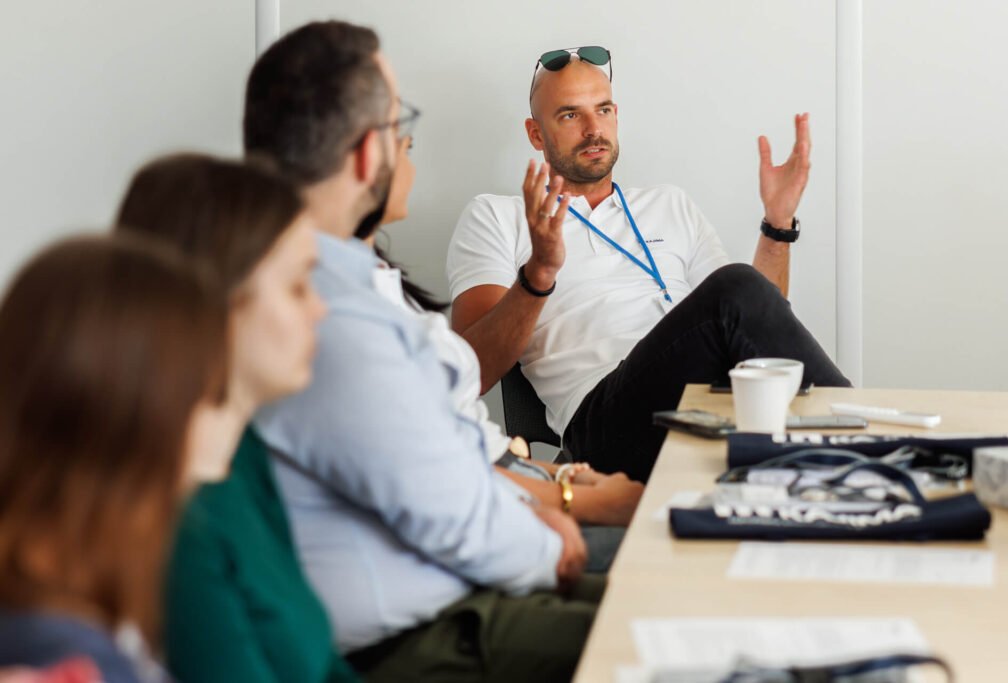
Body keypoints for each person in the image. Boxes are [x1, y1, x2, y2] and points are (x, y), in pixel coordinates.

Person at [243, 21, 602, 682]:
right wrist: (551, 535)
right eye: (396, 124)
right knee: (696, 632)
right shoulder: (328, 316)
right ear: (362, 156)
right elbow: (457, 515)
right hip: (424, 636)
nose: (407, 144)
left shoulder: (339, 284)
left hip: (463, 591)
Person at [447, 47, 852, 483]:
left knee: (741, 293)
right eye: (569, 115)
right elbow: (469, 371)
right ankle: (875, 441)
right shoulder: (498, 216)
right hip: (606, 423)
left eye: (602, 110)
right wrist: (538, 274)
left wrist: (776, 226)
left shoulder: (669, 203)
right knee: (736, 285)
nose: (592, 129)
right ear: (536, 133)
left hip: (715, 401)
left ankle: (862, 455)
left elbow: (755, 320)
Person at [113, 154, 359, 683]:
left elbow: (321, 662)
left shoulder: (241, 451)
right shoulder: (175, 534)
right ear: (215, 299)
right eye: (298, 287)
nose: (320, 310)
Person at [357, 131, 641, 571]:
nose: (410, 139)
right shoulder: (341, 314)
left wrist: (568, 479)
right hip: (491, 540)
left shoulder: (384, 287)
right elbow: (428, 478)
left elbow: (472, 442)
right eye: (396, 126)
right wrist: (574, 502)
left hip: (522, 482)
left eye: (604, 109)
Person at [0, 234, 229, 683]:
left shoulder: (59, 604)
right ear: (149, 416)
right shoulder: (72, 658)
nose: (222, 414)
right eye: (211, 393)